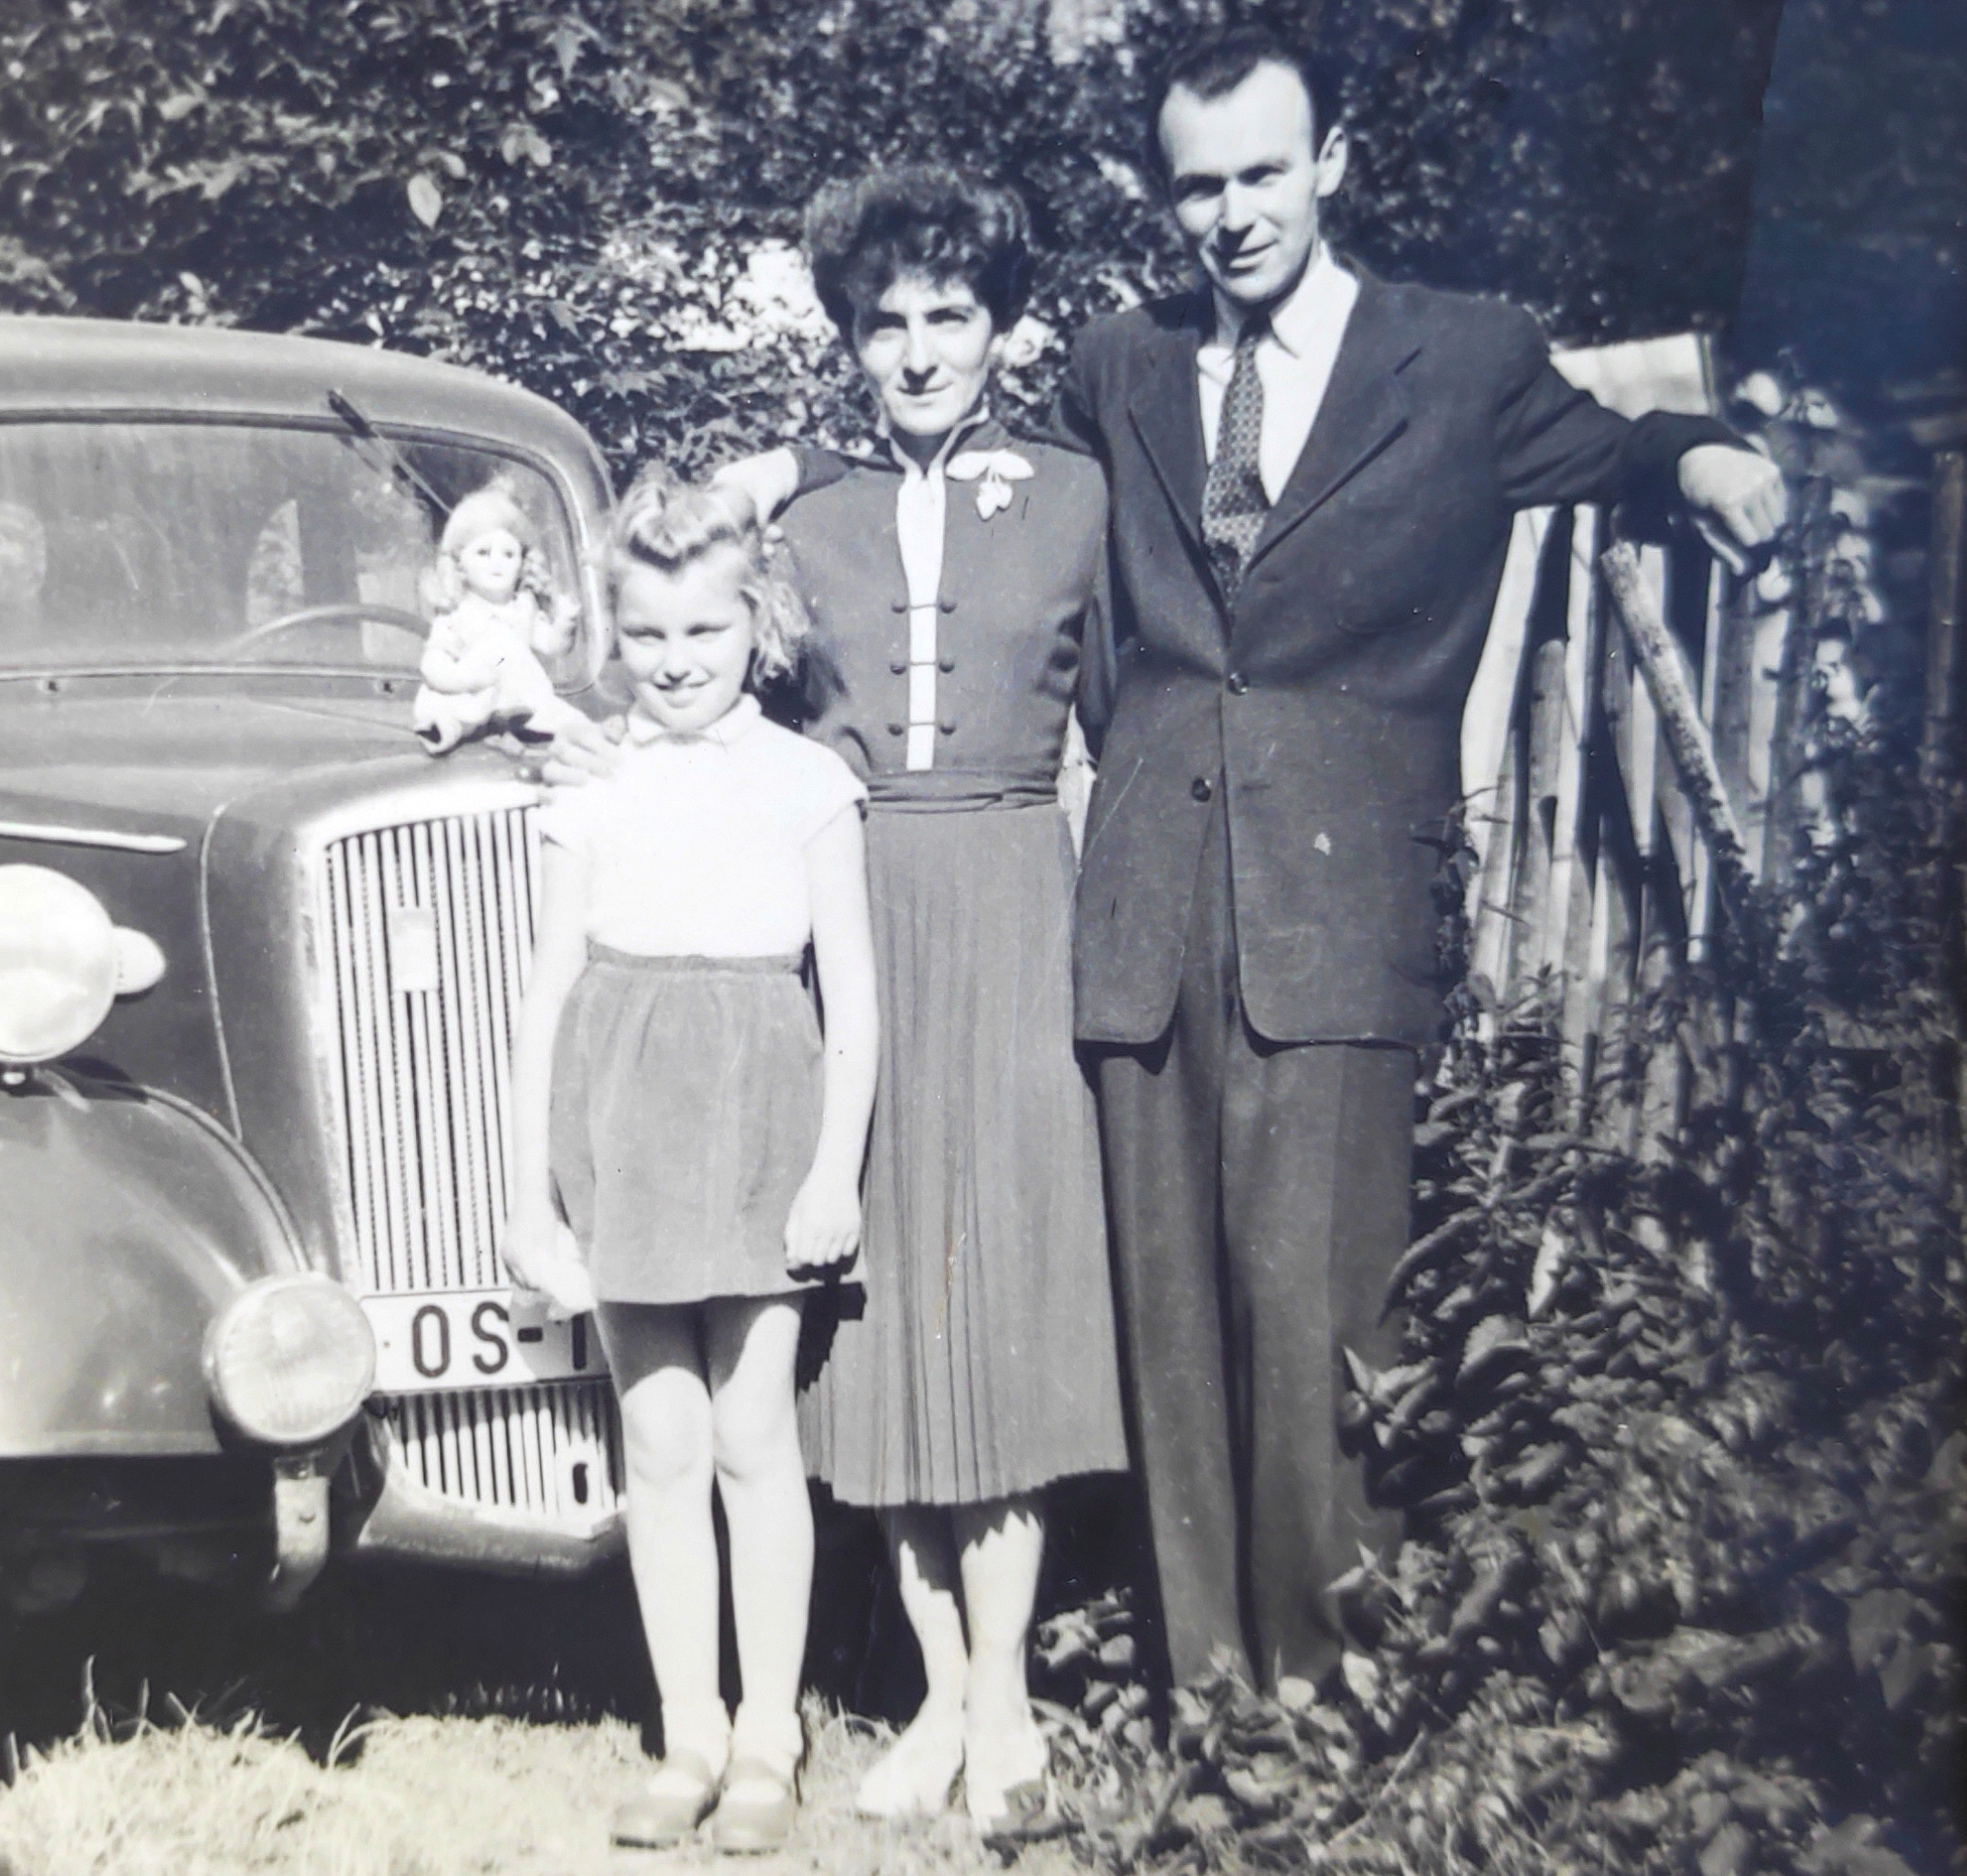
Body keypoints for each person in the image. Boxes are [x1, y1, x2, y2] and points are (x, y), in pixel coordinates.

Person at [1046, 25, 1789, 1695]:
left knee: (1320, 1316)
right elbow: (1008, 512)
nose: (1232, 214)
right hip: (1147, 903)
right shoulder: (1118, 363)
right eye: (1197, 186)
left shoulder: (1457, 359)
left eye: (1262, 173)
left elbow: (1611, 447)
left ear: (1331, 163)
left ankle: (1323, 1701)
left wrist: (1705, 454)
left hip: (1337, 895)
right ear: (1165, 198)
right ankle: (1204, 1706)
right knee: (1168, 1317)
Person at [710, 169, 1131, 1838]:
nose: (915, 348)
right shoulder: (797, 513)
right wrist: (753, 484)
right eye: (881, 321)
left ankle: (1002, 1694)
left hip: (1019, 905)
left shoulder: (1081, 497)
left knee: (998, 1301)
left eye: (948, 314)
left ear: (1001, 325)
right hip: (856, 908)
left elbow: (1130, 721)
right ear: (846, 337)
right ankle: (938, 1691)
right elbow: (673, 646)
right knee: (880, 1316)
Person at [502, 473, 877, 1855]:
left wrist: (833, 1169)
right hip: (620, 1120)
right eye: (648, 635)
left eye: (703, 632)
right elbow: (545, 992)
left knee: (749, 1430)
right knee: (657, 1440)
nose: (674, 662)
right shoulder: (592, 783)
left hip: (760, 1113)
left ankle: (770, 1734)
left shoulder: (808, 783)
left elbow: (853, 997)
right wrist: (523, 1189)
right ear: (616, 633)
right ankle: (689, 1732)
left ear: (757, 624)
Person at [412, 484, 590, 751]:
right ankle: (444, 731)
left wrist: (565, 622)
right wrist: (463, 680)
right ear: (460, 564)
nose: (496, 563)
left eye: (508, 554)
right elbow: (433, 662)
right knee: (451, 711)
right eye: (483, 553)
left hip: (521, 700)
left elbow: (552, 645)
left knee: (558, 715)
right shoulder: (457, 613)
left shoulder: (524, 608)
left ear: (522, 563)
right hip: (472, 693)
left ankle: (588, 734)